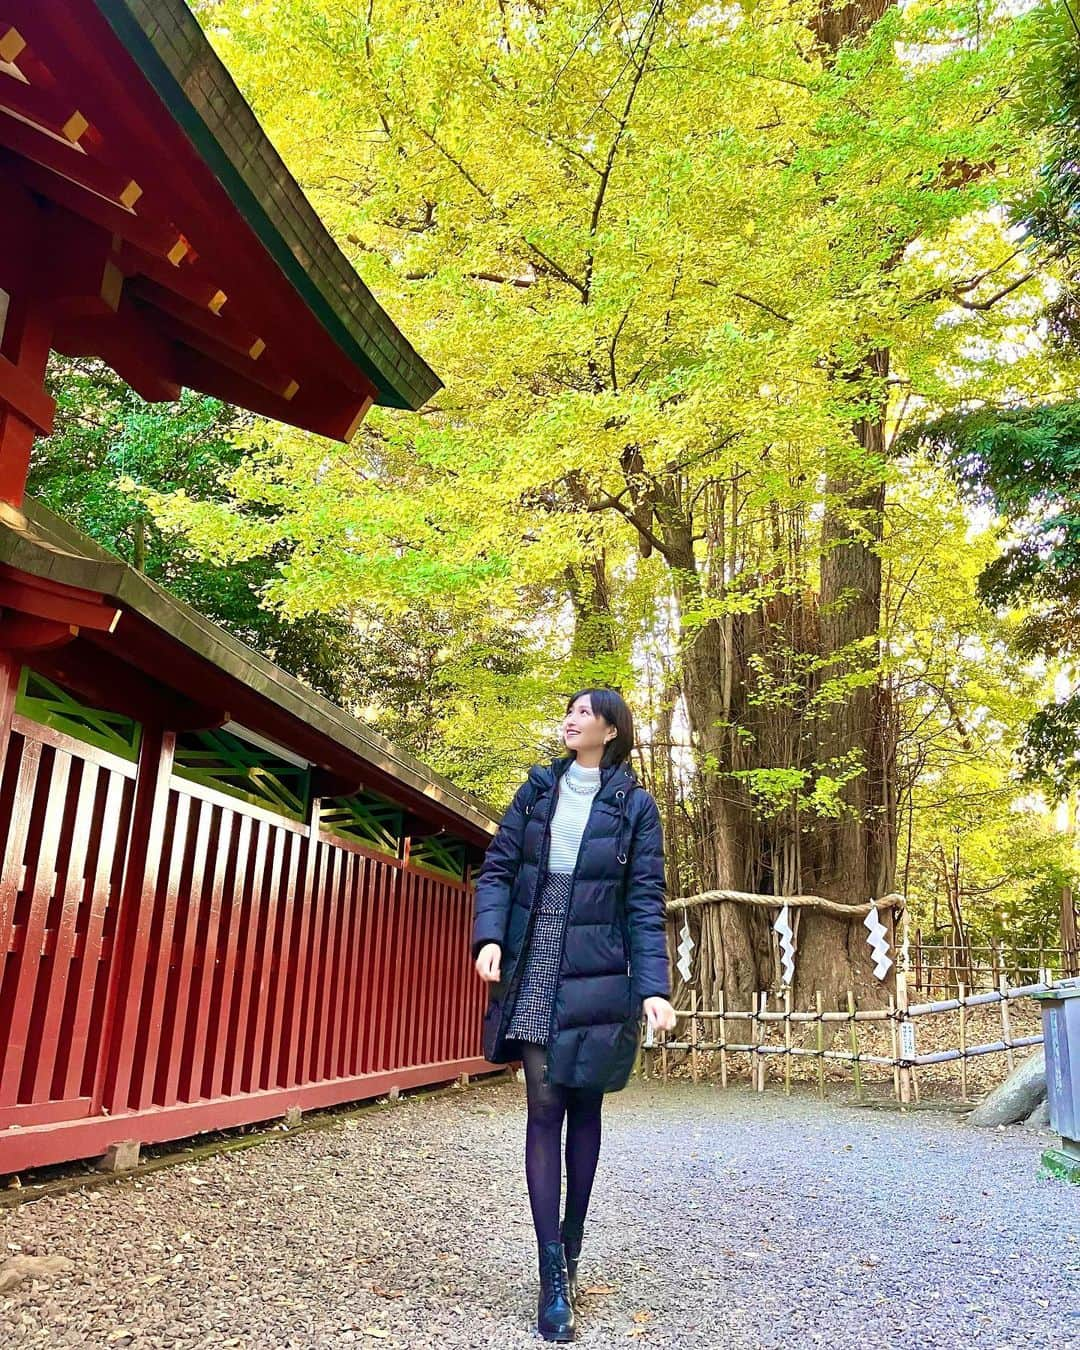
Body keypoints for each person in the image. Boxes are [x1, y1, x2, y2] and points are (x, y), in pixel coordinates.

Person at [472, 688, 677, 1343]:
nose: (571, 718)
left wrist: (653, 987)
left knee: (585, 1107)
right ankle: (551, 1272)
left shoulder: (636, 807)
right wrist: (491, 938)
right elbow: (499, 868)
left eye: (585, 711)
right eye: (568, 709)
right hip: (535, 953)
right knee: (544, 1105)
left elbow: (644, 901)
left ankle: (574, 1238)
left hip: (600, 965)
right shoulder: (535, 791)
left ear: (611, 728)